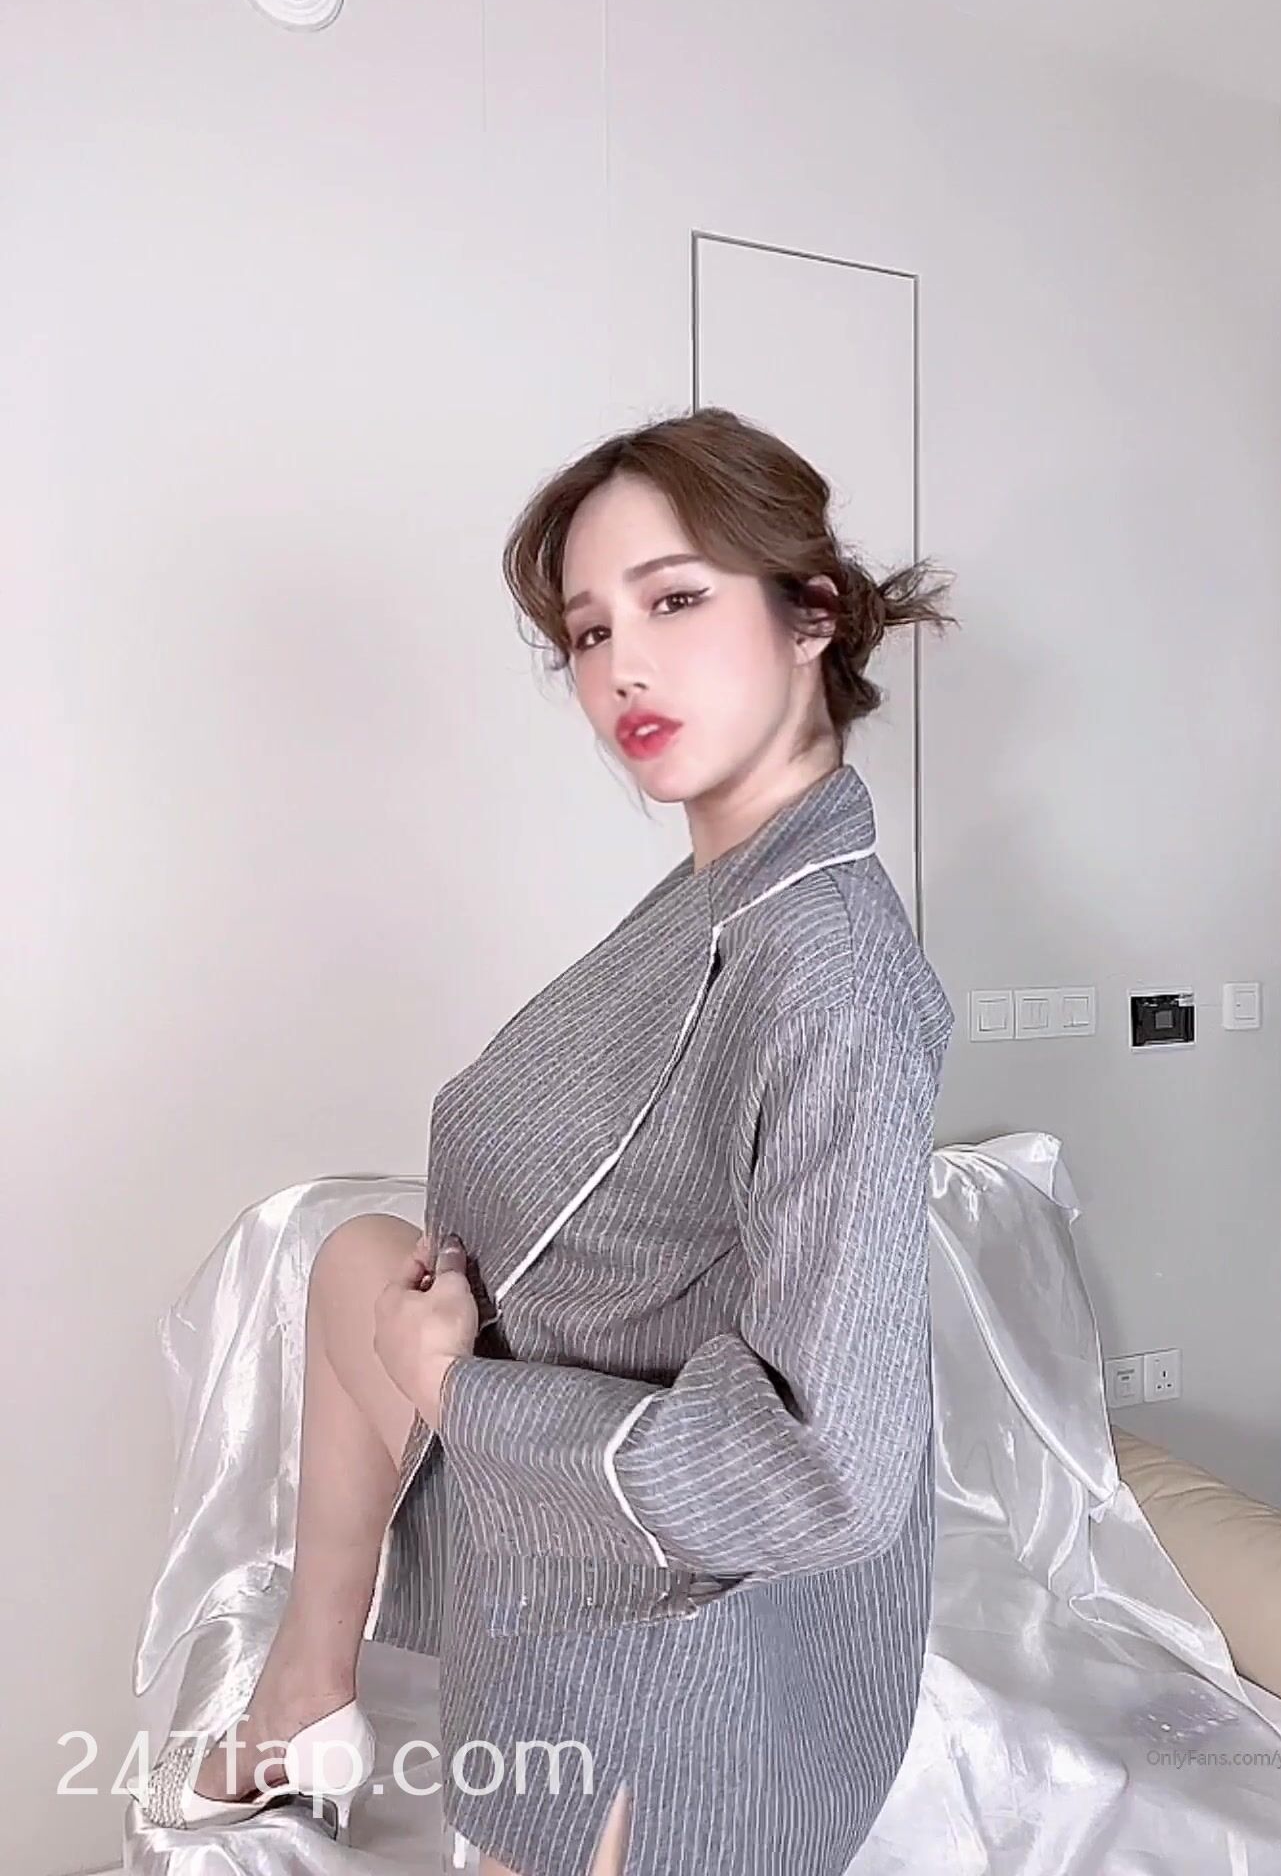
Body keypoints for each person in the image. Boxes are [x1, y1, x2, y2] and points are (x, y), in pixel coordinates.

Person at [130, 406, 957, 1875]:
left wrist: (455, 1387)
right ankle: (306, 1691)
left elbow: (830, 1475)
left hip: (680, 1649)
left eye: (675, 599)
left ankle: (319, 1690)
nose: (622, 665)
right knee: (353, 1258)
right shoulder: (722, 897)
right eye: (587, 632)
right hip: (562, 1542)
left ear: (812, 615)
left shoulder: (828, 974)